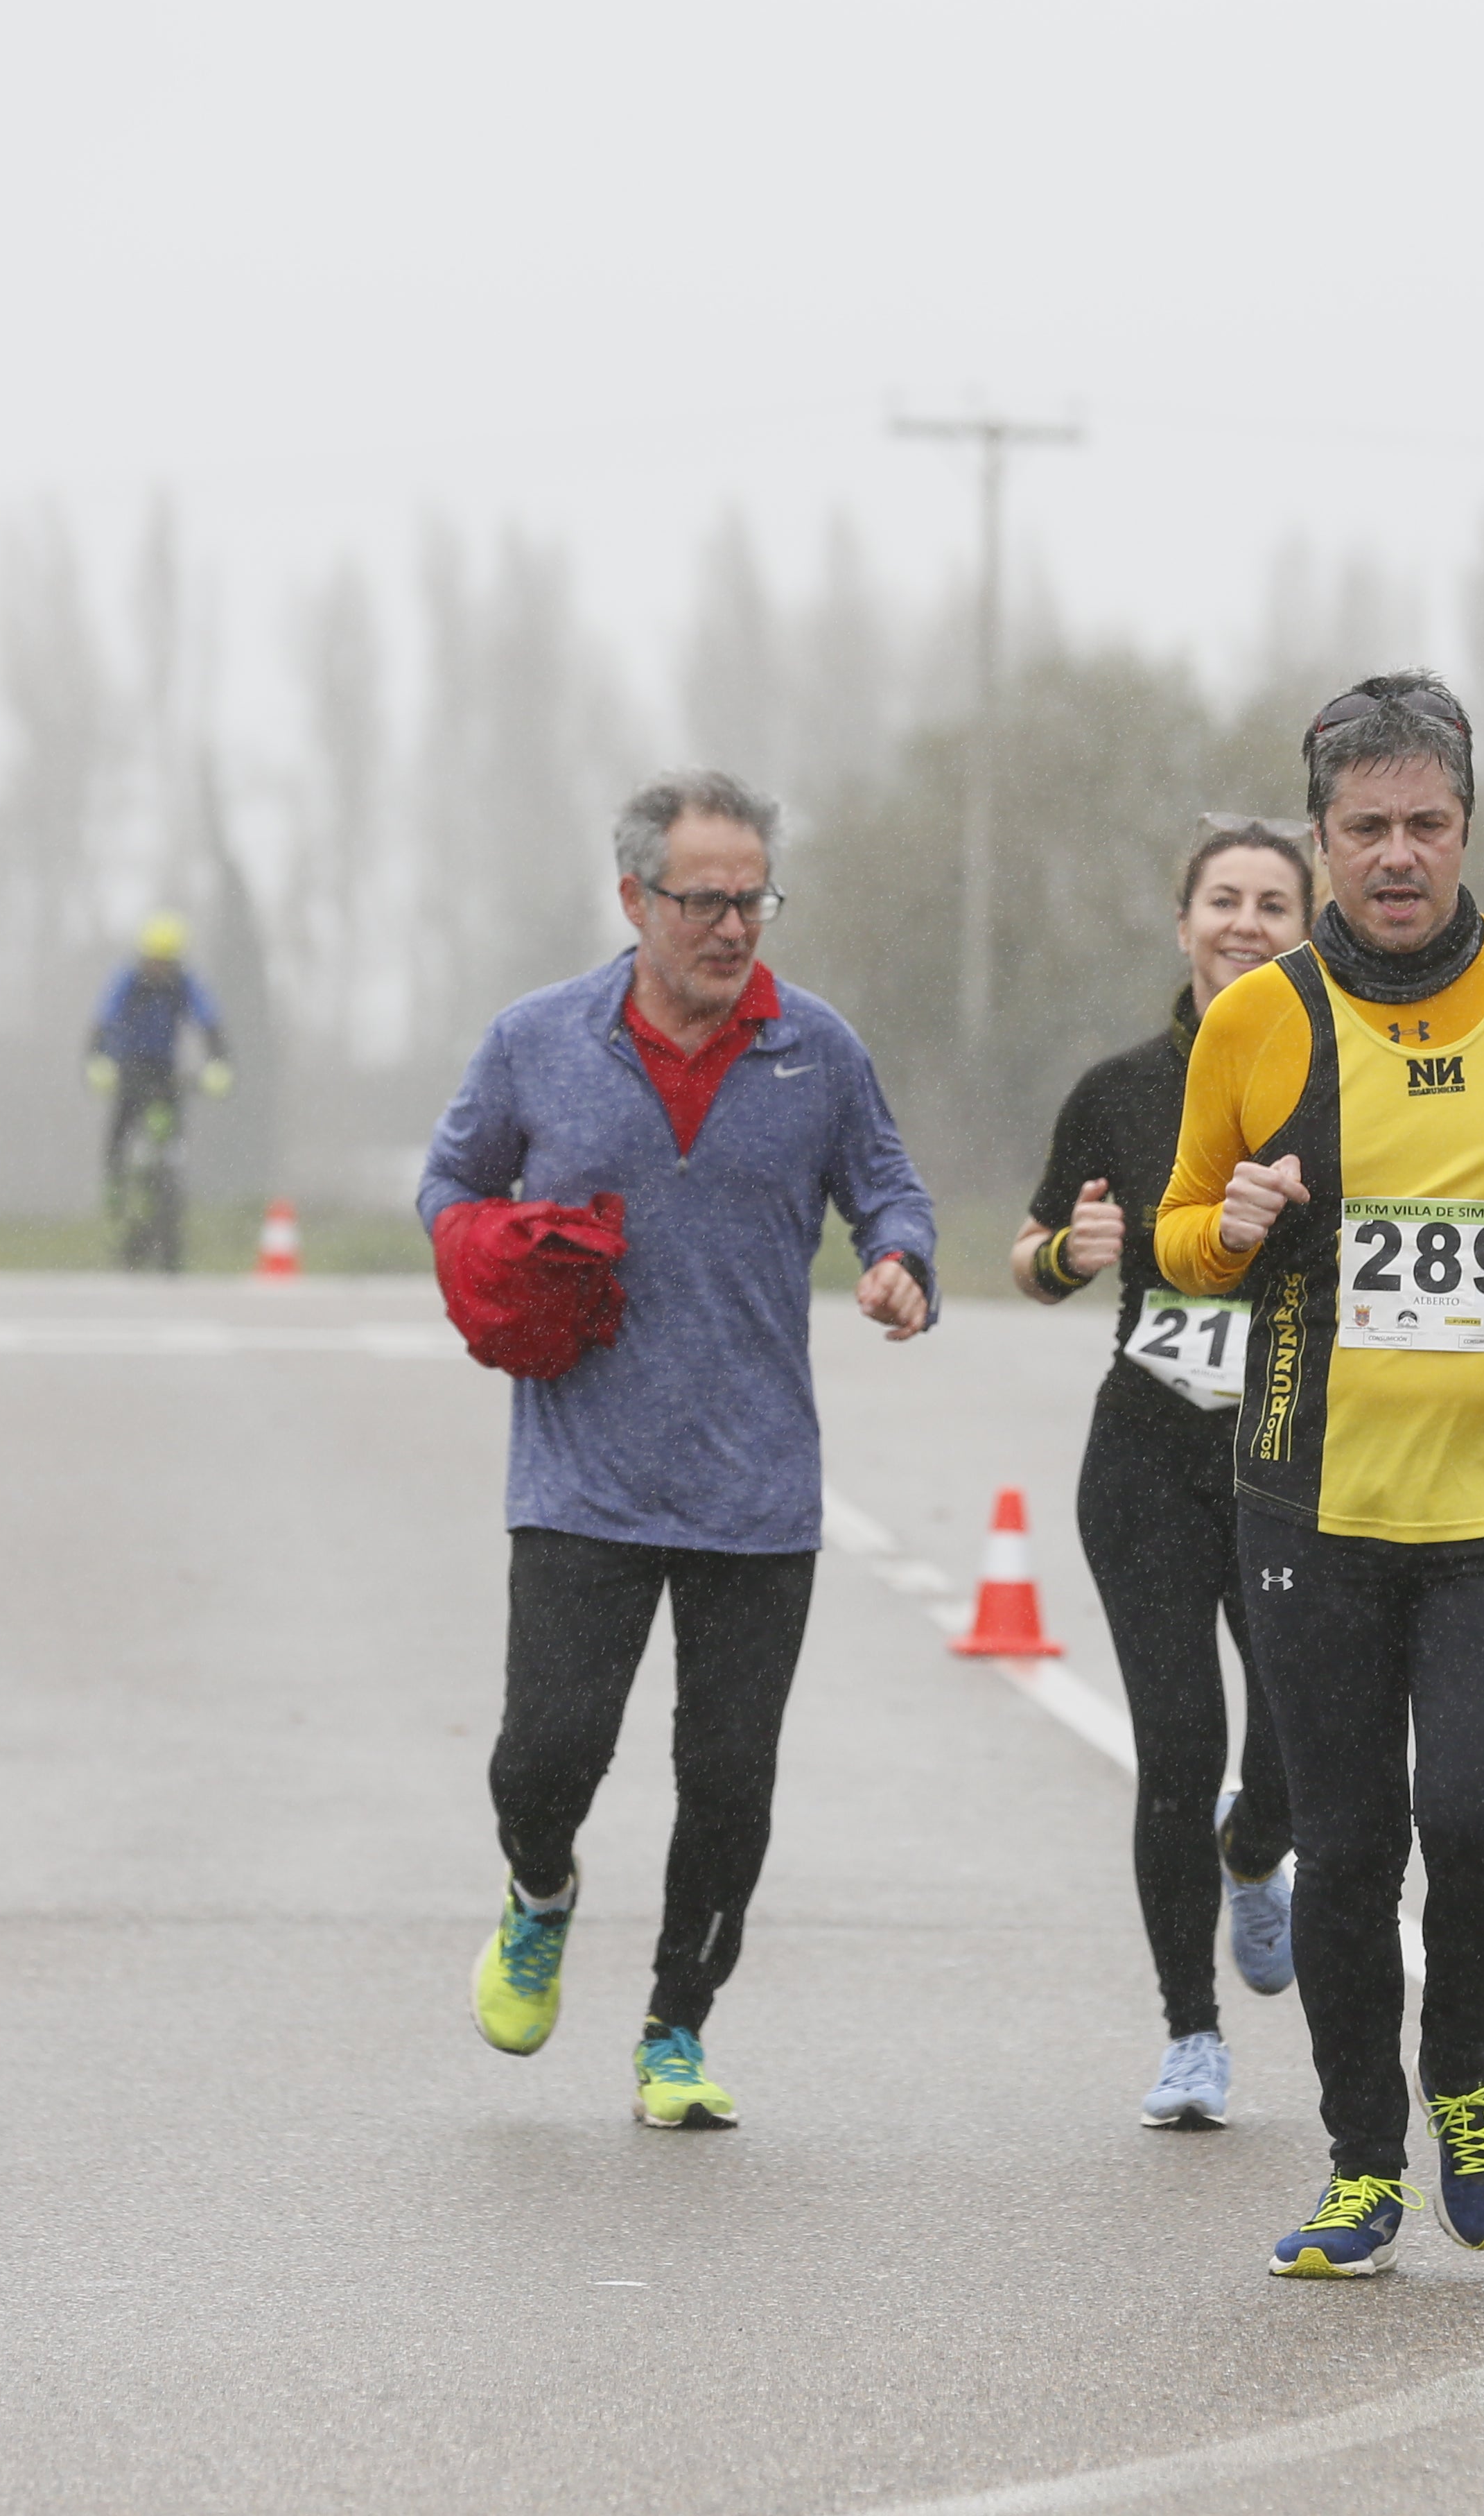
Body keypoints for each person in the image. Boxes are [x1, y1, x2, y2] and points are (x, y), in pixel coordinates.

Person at [1154, 673, 1484, 2280]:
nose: (1397, 855)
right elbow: (1183, 1233)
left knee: (1482, 1827)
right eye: (1365, 828)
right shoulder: (1261, 1017)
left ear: (1467, 827)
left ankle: (1457, 2064)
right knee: (1346, 1838)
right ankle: (1356, 2158)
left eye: (1427, 825)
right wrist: (1229, 1230)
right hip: (1307, 1499)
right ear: (1317, 841)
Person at [421, 771, 937, 2131]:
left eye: (752, 897)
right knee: (548, 1754)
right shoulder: (539, 1041)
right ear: (634, 898)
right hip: (583, 1474)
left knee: (728, 1780)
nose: (732, 925)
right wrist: (492, 1256)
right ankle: (541, 1895)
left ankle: (675, 2029)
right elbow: (452, 1181)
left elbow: (885, 1180)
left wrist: (899, 1259)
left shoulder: (815, 1050)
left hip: (757, 1486)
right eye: (703, 899)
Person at [1013, 818, 1318, 2132]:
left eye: (1272, 904)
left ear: (1311, 929)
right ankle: (1191, 2036)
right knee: (1178, 1747)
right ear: (1184, 924)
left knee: (1302, 1742)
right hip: (1143, 1458)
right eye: (1223, 901)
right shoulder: (1120, 1089)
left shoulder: (1342, 1085)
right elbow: (1028, 1256)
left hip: (1290, 1464)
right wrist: (1070, 1259)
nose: (1245, 923)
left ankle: (1260, 1855)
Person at [87, 913, 232, 1267]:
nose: (160, 968)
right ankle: (116, 1193)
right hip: (129, 1068)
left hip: (166, 1071)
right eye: (155, 959)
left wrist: (219, 1061)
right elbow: (104, 1020)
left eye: (167, 961)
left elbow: (208, 1019)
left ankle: (167, 1207)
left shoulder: (184, 984)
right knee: (119, 1138)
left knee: (171, 1142)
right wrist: (98, 1059)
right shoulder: (128, 981)